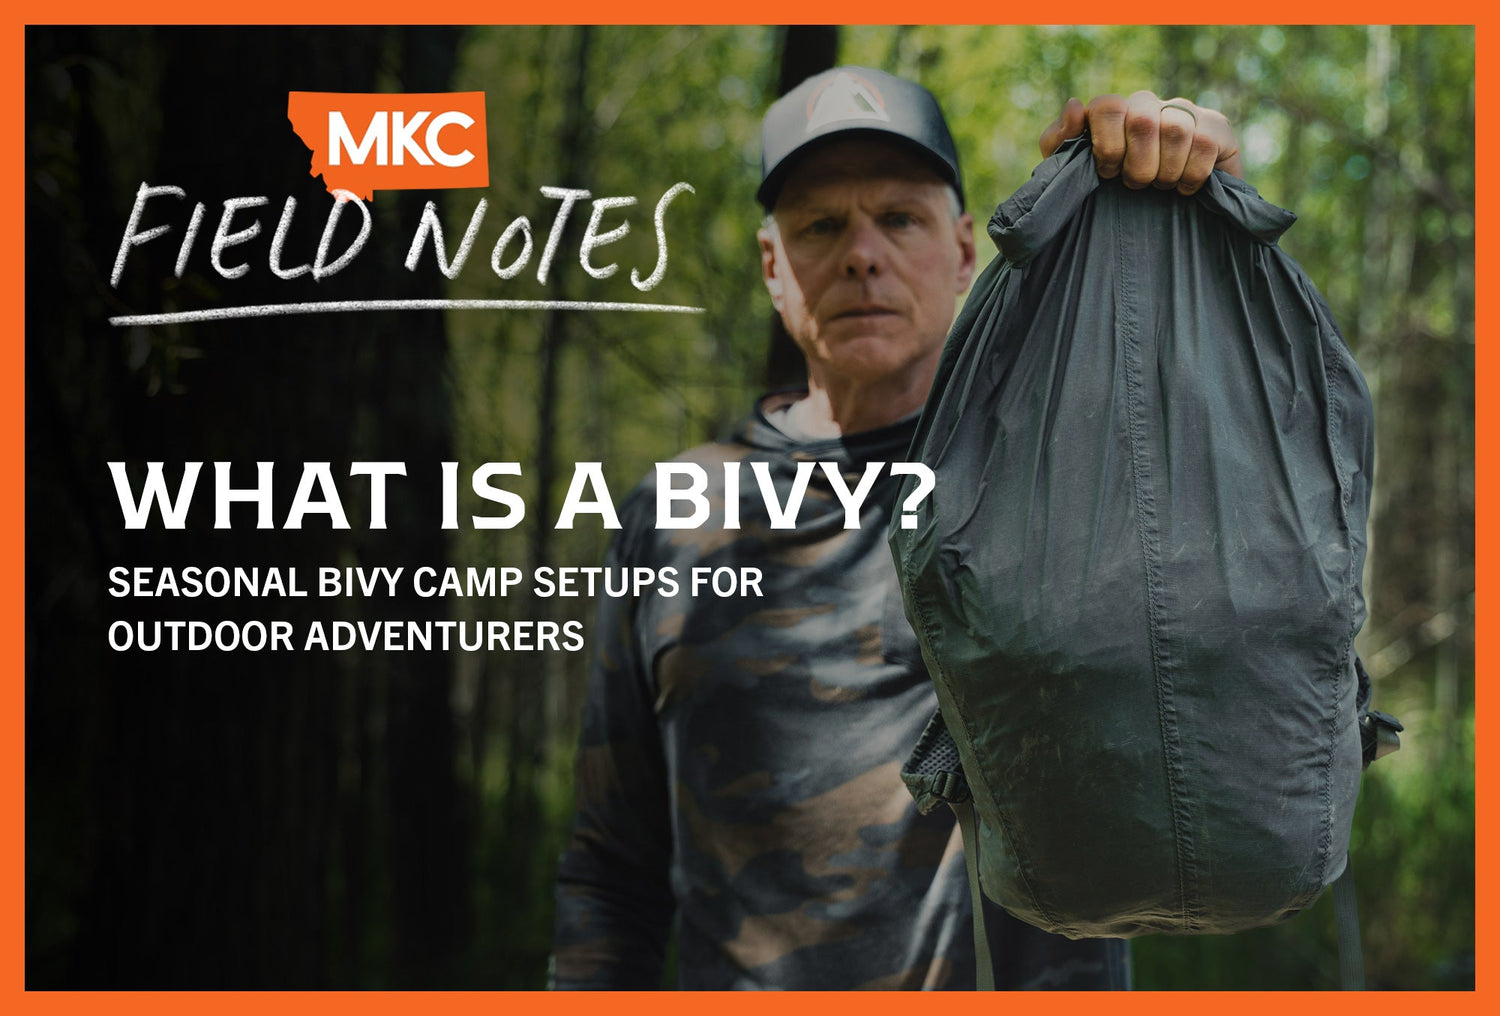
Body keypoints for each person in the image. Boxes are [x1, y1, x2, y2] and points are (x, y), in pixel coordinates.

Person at [552, 66, 1243, 990]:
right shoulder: (675, 516)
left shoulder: (1050, 477)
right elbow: (611, 866)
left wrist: (1179, 212)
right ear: (773, 266)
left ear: (964, 252)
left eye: (900, 218)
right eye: (821, 226)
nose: (862, 254)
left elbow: (1216, 475)